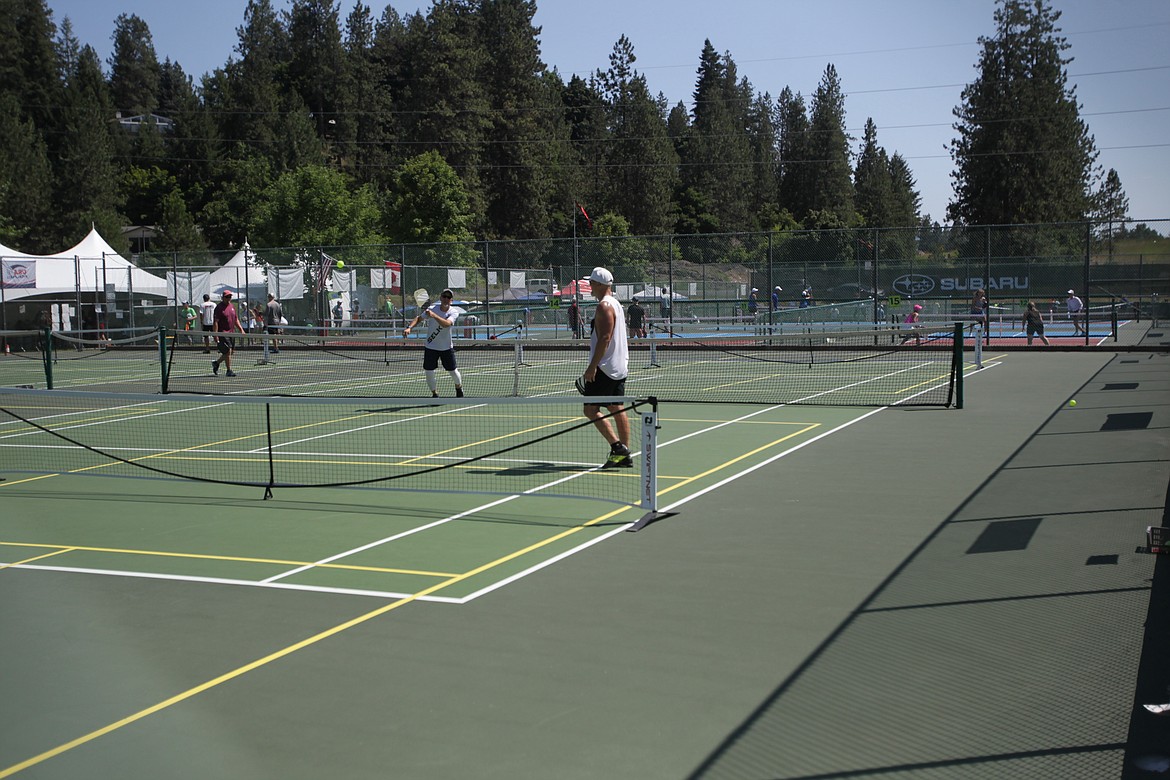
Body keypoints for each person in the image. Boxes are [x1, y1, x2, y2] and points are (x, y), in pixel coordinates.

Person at [581, 266, 631, 469]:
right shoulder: (616, 304)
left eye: (592, 282)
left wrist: (592, 367)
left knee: (591, 410)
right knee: (616, 407)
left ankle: (619, 448)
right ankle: (624, 453)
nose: (589, 286)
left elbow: (605, 337)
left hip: (605, 368)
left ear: (600, 285)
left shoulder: (604, 306)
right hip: (618, 366)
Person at [403, 288, 464, 398]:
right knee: (429, 371)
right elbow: (418, 318)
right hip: (431, 346)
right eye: (444, 296)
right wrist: (409, 328)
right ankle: (434, 393)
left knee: (453, 372)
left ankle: (458, 387)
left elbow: (447, 324)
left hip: (446, 347)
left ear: (451, 300)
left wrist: (434, 315)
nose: (446, 299)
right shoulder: (431, 309)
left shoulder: (453, 312)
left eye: (448, 297)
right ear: (440, 298)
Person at [211, 290, 246, 377]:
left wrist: (241, 329)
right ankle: (229, 370)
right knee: (228, 351)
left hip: (231, 333)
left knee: (230, 352)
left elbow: (236, 319)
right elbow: (215, 322)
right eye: (227, 297)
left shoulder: (232, 306)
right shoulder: (219, 308)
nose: (228, 298)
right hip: (223, 333)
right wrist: (215, 334)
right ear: (223, 297)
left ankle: (216, 363)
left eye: (230, 296)